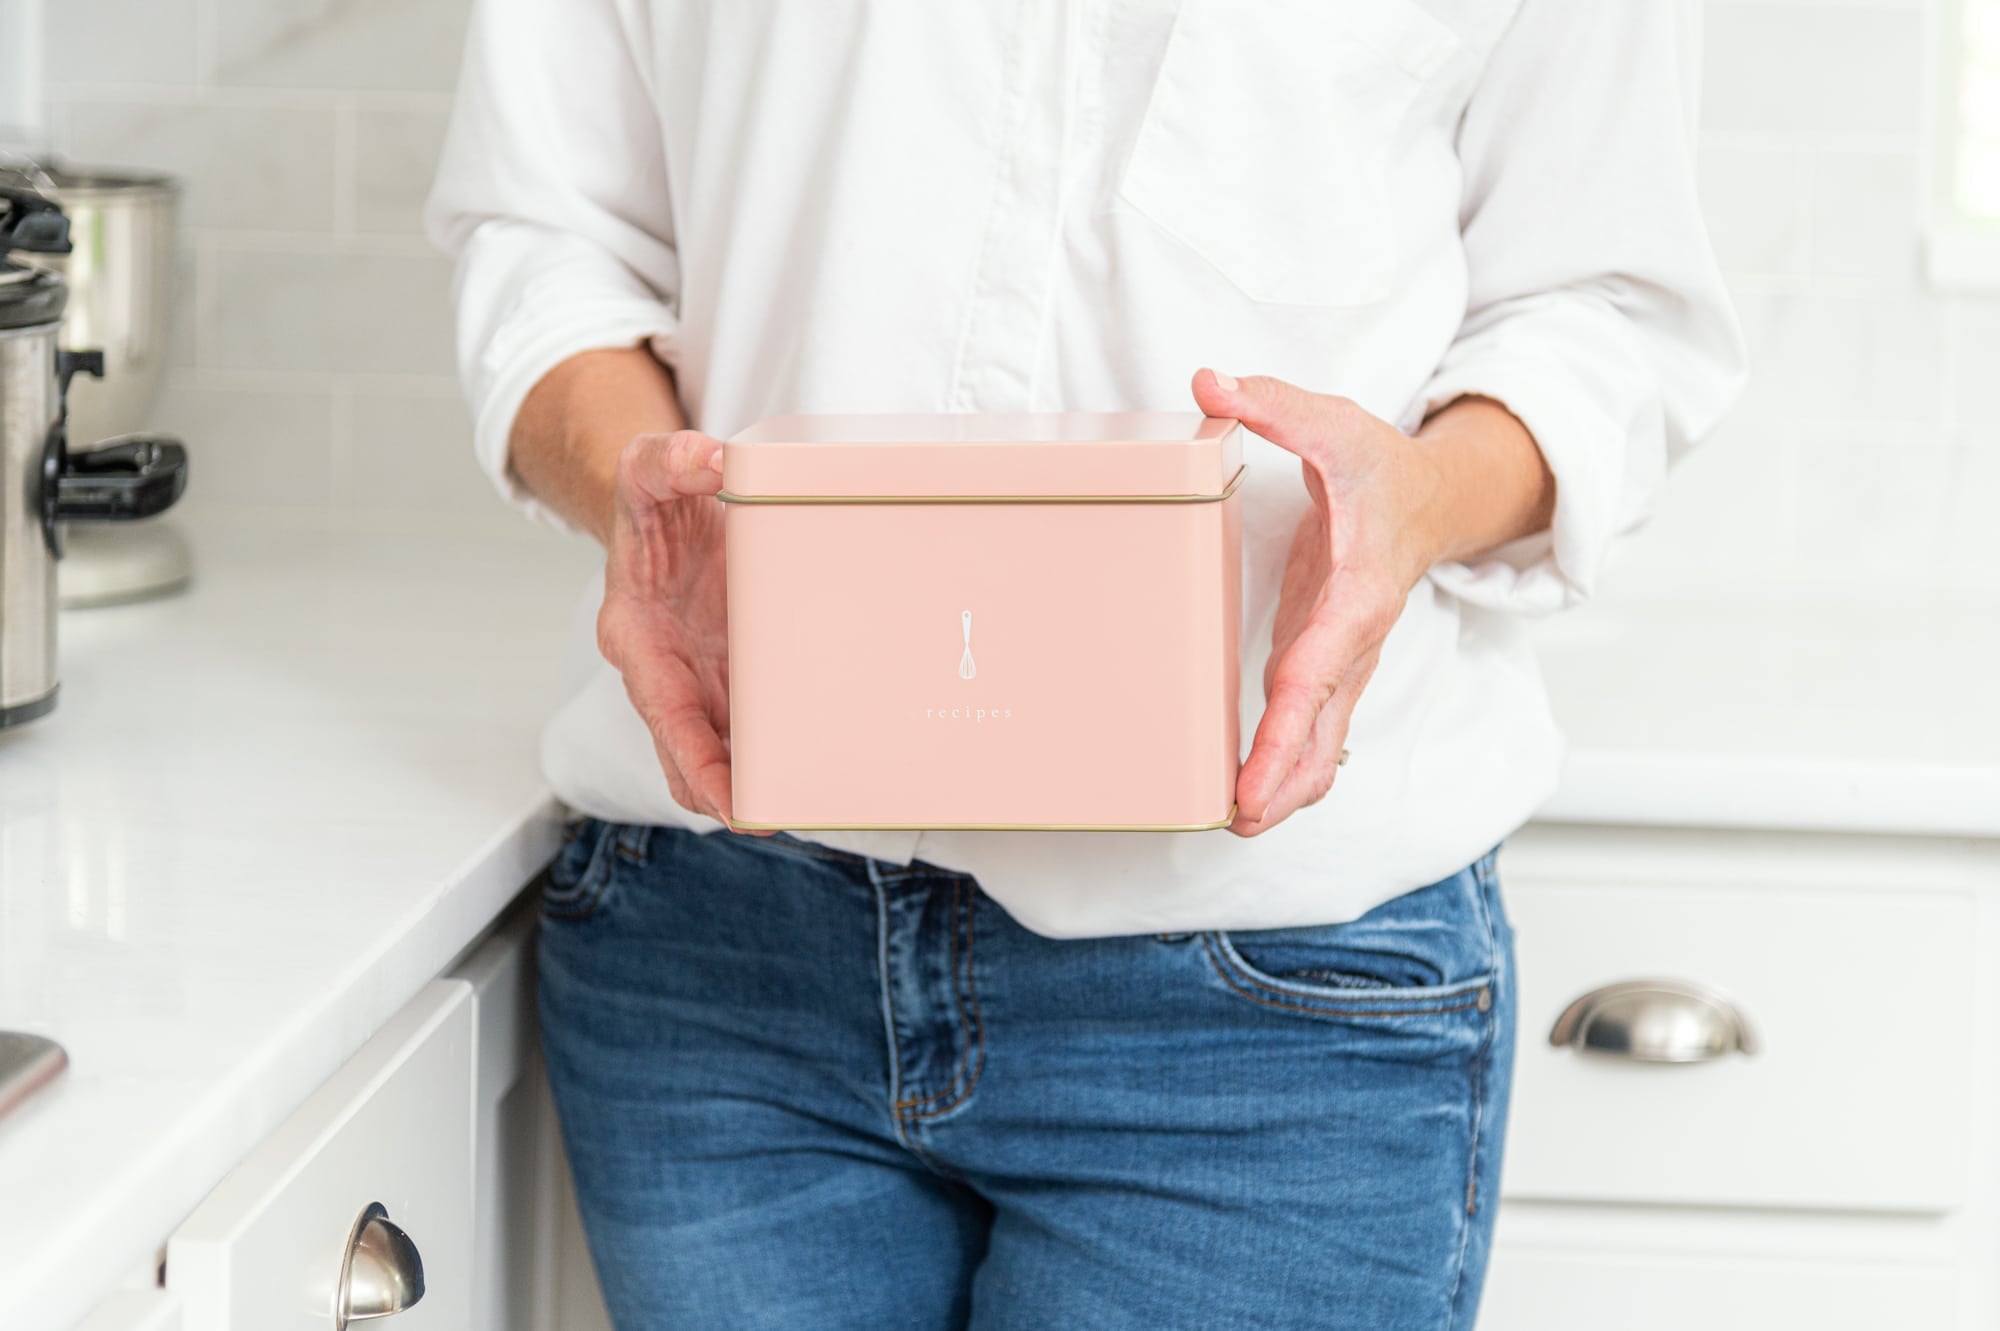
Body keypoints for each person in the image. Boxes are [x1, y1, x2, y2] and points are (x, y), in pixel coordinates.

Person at [428, 3, 1742, 1327]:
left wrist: (1421, 497)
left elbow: (1606, 306)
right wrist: (638, 502)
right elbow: (549, 237)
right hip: (721, 945)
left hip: (1275, 978)